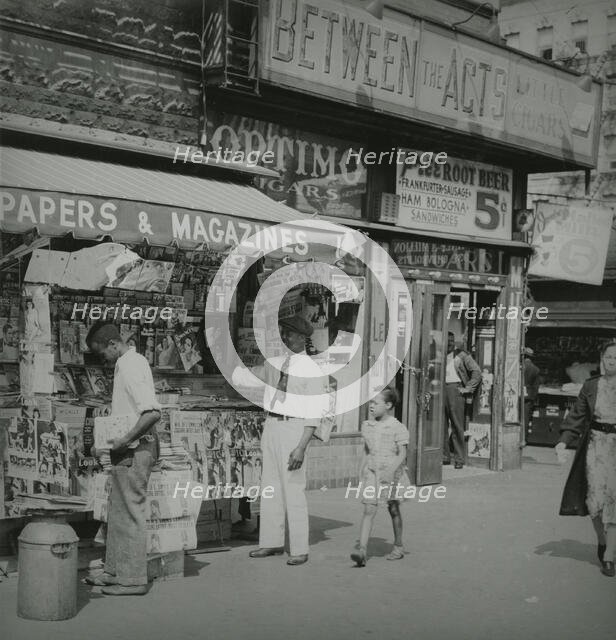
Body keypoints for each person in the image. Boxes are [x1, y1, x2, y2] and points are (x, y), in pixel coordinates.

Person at [232, 315, 332, 566]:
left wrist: (301, 447)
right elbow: (250, 377)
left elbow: (314, 413)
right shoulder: (274, 363)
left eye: (288, 334)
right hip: (272, 425)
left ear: (300, 337)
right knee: (270, 487)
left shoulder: (312, 370)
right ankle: (271, 542)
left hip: (295, 428)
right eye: (283, 333)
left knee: (293, 489)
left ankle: (300, 548)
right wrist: (229, 366)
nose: (284, 337)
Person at [84, 322, 161, 595]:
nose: (101, 358)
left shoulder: (130, 365)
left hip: (134, 449)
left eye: (101, 352)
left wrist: (125, 439)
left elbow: (151, 413)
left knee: (129, 513)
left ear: (114, 345)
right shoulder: (126, 364)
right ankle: (115, 571)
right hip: (125, 449)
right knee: (117, 513)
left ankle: (133, 580)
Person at [555, 341, 616, 578]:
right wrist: (563, 440)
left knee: (613, 500)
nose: (613, 361)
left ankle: (609, 554)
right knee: (595, 503)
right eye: (609, 356)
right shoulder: (591, 386)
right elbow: (577, 416)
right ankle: (602, 540)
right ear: (602, 358)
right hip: (596, 448)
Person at [351, 387, 410, 567]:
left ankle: (398, 545)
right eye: (370, 402)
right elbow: (367, 449)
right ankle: (361, 550)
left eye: (375, 403)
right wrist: (361, 468)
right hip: (372, 472)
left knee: (393, 508)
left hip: (391, 474)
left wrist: (391, 470)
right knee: (369, 509)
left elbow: (402, 453)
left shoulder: (396, 427)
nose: (371, 406)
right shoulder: (367, 426)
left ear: (388, 405)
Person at [443, 332, 482, 469]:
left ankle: (459, 459)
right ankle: (444, 456)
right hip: (440, 389)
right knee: (440, 426)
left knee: (457, 425)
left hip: (455, 390)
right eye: (447, 341)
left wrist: (468, 388)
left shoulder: (461, 355)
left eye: (452, 341)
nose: (449, 343)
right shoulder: (437, 354)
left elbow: (477, 371)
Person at [522, 347, 540, 440]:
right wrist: (533, 398)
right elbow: (536, 386)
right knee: (525, 418)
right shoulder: (535, 369)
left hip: (517, 395)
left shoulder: (519, 366)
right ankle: (523, 438)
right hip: (528, 397)